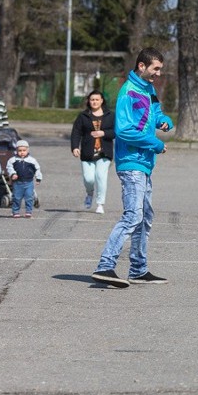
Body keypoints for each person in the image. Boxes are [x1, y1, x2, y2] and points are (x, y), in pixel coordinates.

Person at [91, 48, 174, 289]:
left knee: (145, 217)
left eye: (159, 69)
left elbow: (155, 113)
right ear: (141, 66)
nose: (158, 74)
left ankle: (138, 269)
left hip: (145, 163)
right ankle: (105, 265)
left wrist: (164, 120)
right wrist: (156, 144)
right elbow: (124, 130)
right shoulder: (128, 92)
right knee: (133, 215)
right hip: (131, 162)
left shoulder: (148, 89)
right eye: (155, 69)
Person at [70, 90, 115, 214]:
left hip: (104, 152)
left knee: (100, 176)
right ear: (89, 101)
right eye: (92, 100)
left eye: (97, 99)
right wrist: (75, 147)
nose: (94, 102)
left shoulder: (110, 115)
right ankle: (90, 193)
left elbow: (116, 132)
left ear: (102, 101)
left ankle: (100, 203)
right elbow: (76, 132)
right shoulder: (83, 116)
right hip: (87, 153)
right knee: (89, 179)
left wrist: (104, 133)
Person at [6, 139, 42, 218]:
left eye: (24, 150)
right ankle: (15, 211)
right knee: (16, 198)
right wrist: (13, 174)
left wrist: (38, 178)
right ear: (16, 150)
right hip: (17, 183)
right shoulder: (13, 160)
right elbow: (9, 167)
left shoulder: (32, 160)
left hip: (29, 182)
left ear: (27, 150)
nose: (22, 152)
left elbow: (37, 169)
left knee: (29, 197)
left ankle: (28, 211)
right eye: (20, 150)